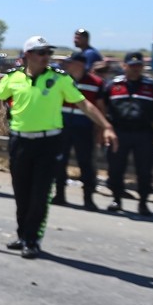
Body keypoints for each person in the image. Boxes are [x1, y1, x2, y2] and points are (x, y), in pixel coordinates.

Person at [0, 35, 116, 258]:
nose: (46, 57)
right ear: (27, 55)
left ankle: (33, 240)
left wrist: (106, 126)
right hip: (20, 142)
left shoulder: (59, 79)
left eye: (48, 52)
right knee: (21, 193)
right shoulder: (13, 78)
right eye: (41, 53)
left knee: (40, 194)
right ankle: (22, 235)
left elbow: (83, 103)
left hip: (48, 142)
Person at [97, 52, 153, 217]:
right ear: (124, 66)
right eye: (132, 66)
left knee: (145, 170)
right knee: (115, 168)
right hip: (119, 133)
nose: (135, 69)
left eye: (138, 66)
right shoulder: (113, 85)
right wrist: (103, 130)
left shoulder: (152, 87)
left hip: (144, 134)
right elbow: (102, 107)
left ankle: (143, 203)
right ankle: (116, 199)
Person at [54, 51, 104, 210]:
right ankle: (59, 195)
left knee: (86, 164)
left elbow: (100, 107)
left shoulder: (96, 82)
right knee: (60, 162)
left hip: (84, 128)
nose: (67, 65)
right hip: (62, 128)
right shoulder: (61, 80)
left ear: (80, 64)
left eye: (70, 62)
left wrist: (100, 129)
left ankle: (88, 198)